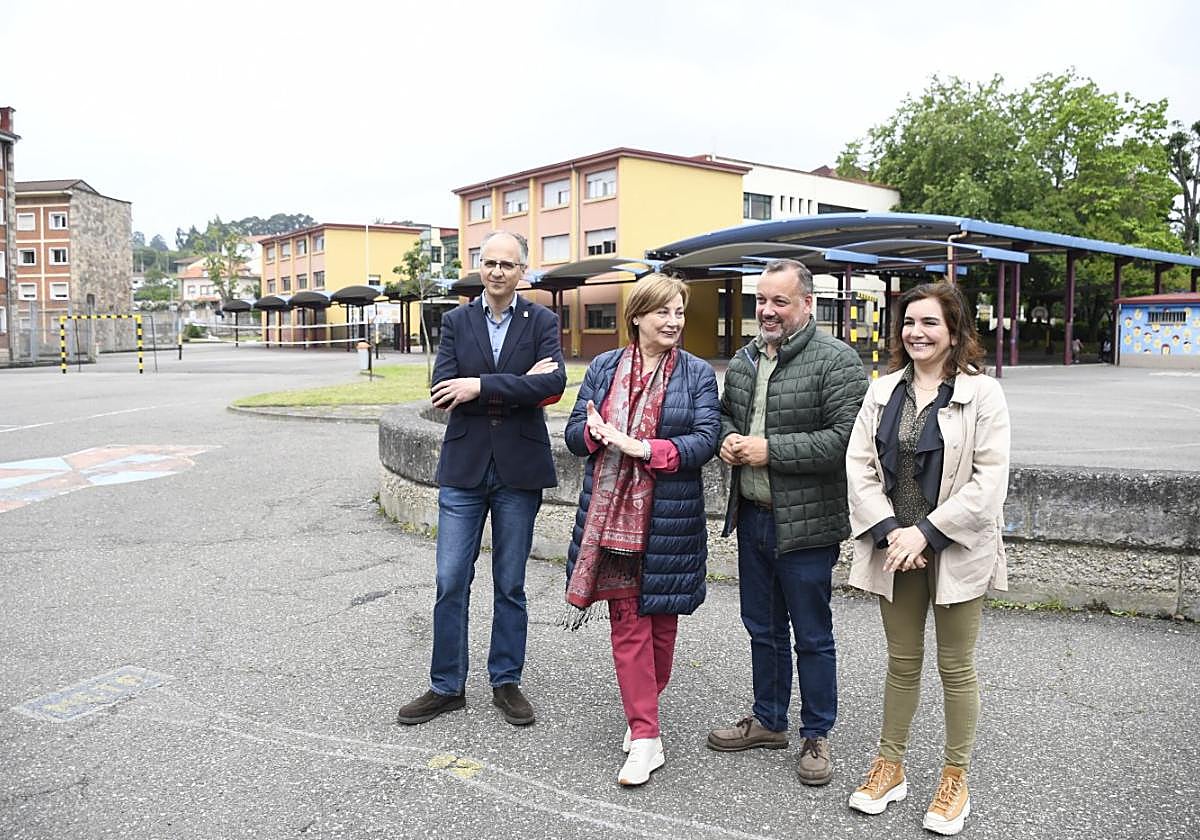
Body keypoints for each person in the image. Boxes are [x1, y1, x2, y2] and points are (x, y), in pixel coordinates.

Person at [844, 281, 1010, 836]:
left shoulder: (983, 395)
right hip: (897, 547)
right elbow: (861, 467)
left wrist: (927, 533)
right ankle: (890, 767)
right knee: (902, 660)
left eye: (930, 323)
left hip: (955, 546)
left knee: (956, 667)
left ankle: (954, 777)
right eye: (909, 322)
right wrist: (895, 532)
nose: (916, 332)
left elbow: (989, 483)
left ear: (956, 331)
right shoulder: (883, 390)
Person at [707, 259, 868, 787]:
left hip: (806, 526)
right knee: (762, 629)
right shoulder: (746, 358)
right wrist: (729, 440)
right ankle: (770, 720)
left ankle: (816, 733)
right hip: (753, 518)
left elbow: (844, 440)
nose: (767, 311)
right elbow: (729, 414)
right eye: (762, 300)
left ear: (806, 304)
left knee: (812, 636)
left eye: (779, 301)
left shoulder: (837, 360)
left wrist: (768, 451)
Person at [396, 231, 566, 728]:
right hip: (465, 468)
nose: (496, 272)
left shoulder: (543, 321)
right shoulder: (456, 321)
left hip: (519, 469)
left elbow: (553, 382)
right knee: (451, 580)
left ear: (522, 272)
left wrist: (481, 384)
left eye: (507, 265)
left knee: (510, 583)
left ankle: (505, 681)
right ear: (478, 268)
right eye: (489, 263)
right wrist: (518, 385)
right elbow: (442, 391)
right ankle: (446, 686)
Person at [563, 273, 719, 786]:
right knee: (628, 622)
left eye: (679, 312)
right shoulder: (604, 367)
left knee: (662, 627)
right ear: (638, 317)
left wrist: (644, 448)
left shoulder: (696, 374)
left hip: (669, 519)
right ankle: (646, 735)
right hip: (611, 520)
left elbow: (704, 441)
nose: (673, 322)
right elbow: (572, 434)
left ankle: (643, 710)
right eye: (663, 313)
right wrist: (593, 432)